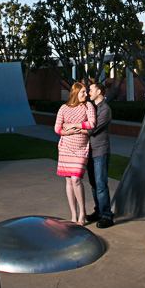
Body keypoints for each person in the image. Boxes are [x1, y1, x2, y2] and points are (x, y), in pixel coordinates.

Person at [54, 81, 96, 224]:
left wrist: (72, 125)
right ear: (75, 93)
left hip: (81, 148)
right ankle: (73, 214)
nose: (85, 95)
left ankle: (82, 214)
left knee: (76, 179)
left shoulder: (88, 106)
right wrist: (65, 132)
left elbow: (91, 124)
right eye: (82, 92)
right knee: (68, 180)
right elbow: (57, 128)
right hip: (65, 147)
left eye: (86, 92)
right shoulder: (64, 108)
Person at [86, 81, 114, 228]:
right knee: (93, 184)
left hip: (100, 151)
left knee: (101, 184)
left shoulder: (105, 109)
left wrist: (74, 128)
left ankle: (107, 216)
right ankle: (98, 211)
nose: (89, 92)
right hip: (90, 151)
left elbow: (93, 129)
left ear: (99, 92)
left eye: (91, 90)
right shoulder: (91, 108)